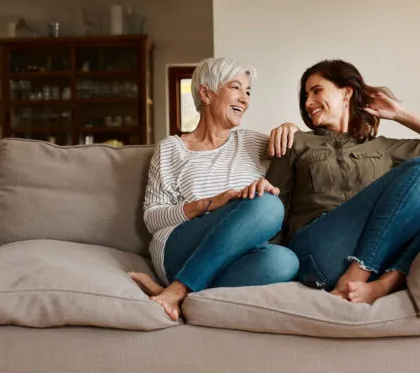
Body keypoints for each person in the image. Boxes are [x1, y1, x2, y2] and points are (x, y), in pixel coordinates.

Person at [265, 59, 420, 305]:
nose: (307, 103)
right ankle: (359, 273)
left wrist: (400, 114)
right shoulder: (294, 141)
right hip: (321, 252)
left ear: (346, 92)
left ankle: (388, 281)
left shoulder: (382, 147)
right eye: (305, 96)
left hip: (379, 248)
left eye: (316, 91)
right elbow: (273, 209)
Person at [128, 57, 299, 321]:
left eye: (248, 91)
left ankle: (182, 294)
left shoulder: (256, 144)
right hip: (179, 248)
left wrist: (292, 129)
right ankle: (178, 287)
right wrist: (210, 203)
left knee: (284, 261)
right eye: (235, 88)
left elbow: (301, 149)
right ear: (206, 93)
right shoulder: (172, 149)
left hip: (233, 254)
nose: (244, 99)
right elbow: (152, 219)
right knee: (268, 205)